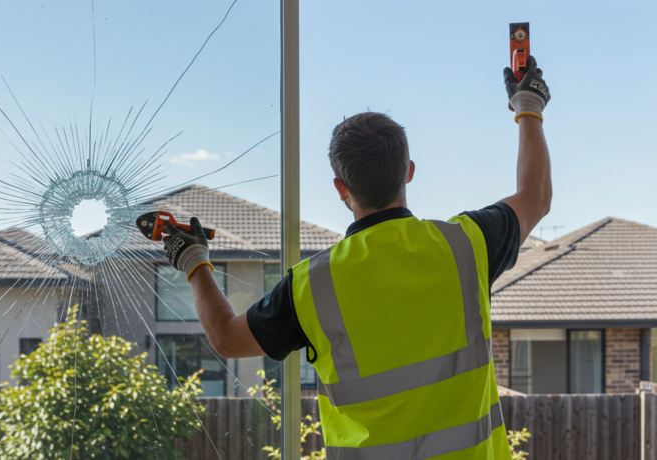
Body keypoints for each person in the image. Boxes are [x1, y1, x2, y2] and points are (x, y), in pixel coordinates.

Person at [160, 56, 552, 459]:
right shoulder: (466, 244)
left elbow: (226, 337)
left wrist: (194, 262)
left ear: (340, 187)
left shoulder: (313, 285)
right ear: (409, 171)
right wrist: (528, 108)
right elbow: (535, 196)